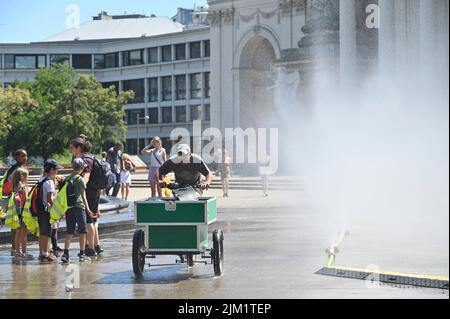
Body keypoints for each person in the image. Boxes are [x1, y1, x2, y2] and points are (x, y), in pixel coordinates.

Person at [70, 136, 102, 257]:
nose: (70, 150)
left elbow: (86, 177)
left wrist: (77, 188)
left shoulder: (85, 159)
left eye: (72, 147)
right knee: (92, 220)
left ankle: (91, 248)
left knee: (89, 221)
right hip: (94, 191)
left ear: (78, 148)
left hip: (89, 193)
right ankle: (96, 246)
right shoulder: (87, 157)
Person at [60, 158, 93, 263]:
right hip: (79, 207)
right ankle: (82, 253)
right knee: (82, 231)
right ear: (82, 168)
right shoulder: (80, 179)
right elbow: (83, 196)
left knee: (69, 231)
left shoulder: (67, 178)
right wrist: (88, 209)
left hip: (69, 208)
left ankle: (65, 254)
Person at [0, 149, 28, 256]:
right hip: (15, 199)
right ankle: (15, 249)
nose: (25, 158)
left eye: (26, 156)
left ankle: (16, 249)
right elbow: (10, 185)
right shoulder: (15, 169)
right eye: (22, 156)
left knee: (16, 225)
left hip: (14, 198)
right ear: (17, 157)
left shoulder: (19, 168)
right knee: (16, 225)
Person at [37, 160, 63, 263]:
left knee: (42, 232)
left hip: (39, 210)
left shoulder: (41, 179)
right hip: (47, 211)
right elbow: (49, 199)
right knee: (47, 233)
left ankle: (42, 253)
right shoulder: (49, 182)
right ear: (51, 169)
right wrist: (57, 211)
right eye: (56, 170)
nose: (57, 172)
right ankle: (46, 254)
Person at [10, 167, 32, 260]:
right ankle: (23, 252)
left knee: (18, 232)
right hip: (23, 212)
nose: (27, 179)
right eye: (27, 177)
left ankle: (17, 251)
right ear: (22, 177)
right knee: (24, 234)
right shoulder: (23, 186)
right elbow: (27, 199)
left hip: (17, 212)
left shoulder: (14, 186)